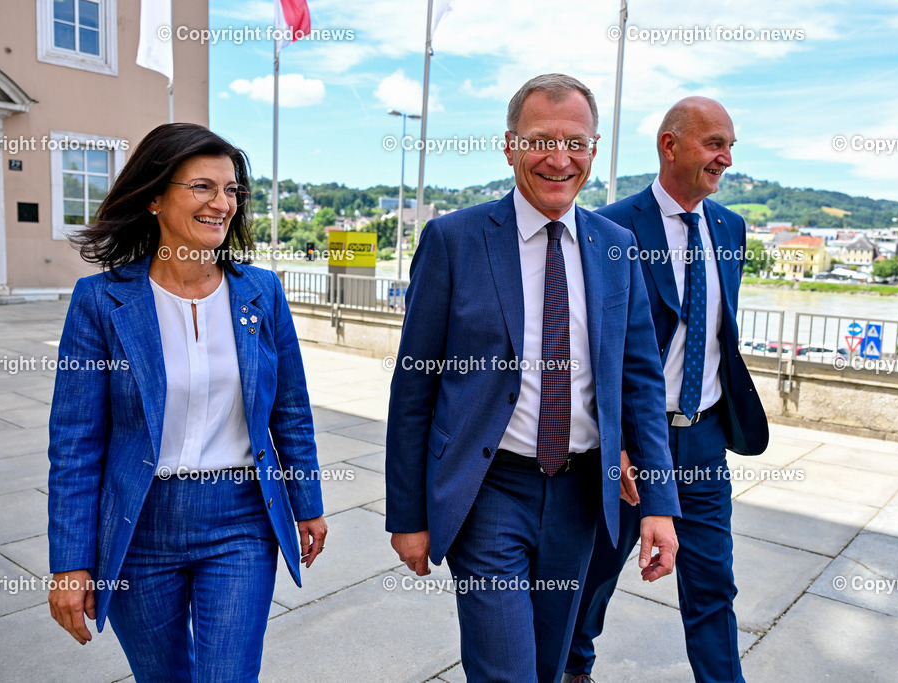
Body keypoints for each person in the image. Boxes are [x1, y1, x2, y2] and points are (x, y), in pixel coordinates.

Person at [385, 73, 681, 683]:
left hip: (580, 498)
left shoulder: (616, 246)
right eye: (540, 139)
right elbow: (413, 389)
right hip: (490, 490)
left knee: (548, 666)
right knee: (506, 672)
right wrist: (407, 515)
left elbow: (641, 384)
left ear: (594, 150)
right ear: (510, 145)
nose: (558, 158)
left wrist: (658, 501)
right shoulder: (454, 240)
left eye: (575, 142)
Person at [46, 122, 327, 681]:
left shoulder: (260, 292)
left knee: (229, 674)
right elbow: (76, 442)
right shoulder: (101, 301)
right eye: (202, 187)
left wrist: (308, 501)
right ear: (154, 196)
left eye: (231, 191)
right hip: (139, 523)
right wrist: (71, 563)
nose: (221, 203)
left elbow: (290, 409)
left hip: (242, 520)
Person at [564, 97, 769, 683]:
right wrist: (616, 445)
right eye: (714, 144)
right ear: (670, 144)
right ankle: (574, 669)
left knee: (712, 582)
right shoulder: (607, 228)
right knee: (596, 574)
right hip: (631, 448)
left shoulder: (730, 228)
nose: (726, 158)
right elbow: (587, 354)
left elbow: (719, 332)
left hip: (704, 442)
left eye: (730, 145)